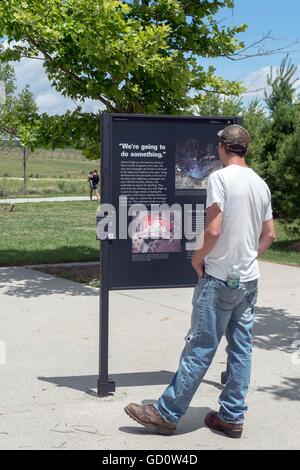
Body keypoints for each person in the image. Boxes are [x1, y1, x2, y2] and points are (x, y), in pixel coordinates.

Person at [124, 125, 276, 438]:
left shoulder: (219, 178)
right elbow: (270, 234)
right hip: (248, 282)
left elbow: (215, 230)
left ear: (222, 147)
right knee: (241, 349)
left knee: (200, 348)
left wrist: (196, 258)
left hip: (218, 278)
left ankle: (166, 413)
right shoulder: (260, 184)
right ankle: (232, 417)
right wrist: (249, 258)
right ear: (245, 149)